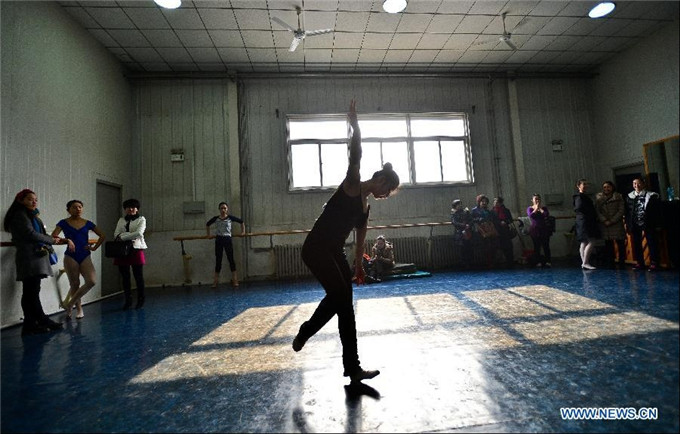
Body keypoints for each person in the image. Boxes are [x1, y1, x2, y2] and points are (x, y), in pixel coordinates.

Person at [292, 99, 400, 384]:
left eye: (388, 193)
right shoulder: (353, 184)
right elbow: (357, 153)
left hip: (334, 251)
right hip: (316, 248)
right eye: (386, 188)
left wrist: (359, 267)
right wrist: (355, 124)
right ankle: (306, 332)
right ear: (378, 179)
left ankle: (352, 368)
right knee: (340, 299)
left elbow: (360, 239)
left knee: (345, 303)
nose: (385, 194)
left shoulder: (366, 207)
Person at [3, 189, 65, 335]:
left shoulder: (30, 215)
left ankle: (31, 323)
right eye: (30, 199)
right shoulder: (20, 215)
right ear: (21, 200)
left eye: (35, 199)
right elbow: (30, 233)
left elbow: (36, 233)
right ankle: (39, 321)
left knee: (32, 291)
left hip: (34, 256)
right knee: (31, 291)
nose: (34, 201)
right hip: (29, 257)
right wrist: (50, 240)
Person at [51, 200, 105, 319]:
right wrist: (67, 240)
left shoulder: (87, 223)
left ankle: (70, 304)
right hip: (71, 256)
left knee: (91, 281)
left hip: (85, 254)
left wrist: (94, 247)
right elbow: (53, 236)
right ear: (68, 210)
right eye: (75, 207)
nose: (78, 209)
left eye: (80, 207)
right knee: (75, 283)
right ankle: (79, 309)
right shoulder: (63, 223)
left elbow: (102, 235)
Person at [113, 198, 147, 310]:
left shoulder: (141, 219)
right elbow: (116, 235)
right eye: (128, 207)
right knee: (125, 277)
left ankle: (141, 299)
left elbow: (139, 233)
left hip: (136, 249)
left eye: (133, 207)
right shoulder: (121, 220)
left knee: (138, 276)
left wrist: (123, 237)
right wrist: (127, 236)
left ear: (137, 209)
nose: (130, 209)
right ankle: (128, 300)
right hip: (122, 250)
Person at [206, 202, 246, 288]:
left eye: (225, 208)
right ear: (219, 209)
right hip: (219, 239)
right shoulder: (216, 218)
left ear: (227, 209)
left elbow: (241, 222)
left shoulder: (230, 218)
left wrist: (243, 232)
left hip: (227, 239)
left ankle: (235, 280)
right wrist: (208, 235)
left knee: (231, 259)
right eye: (221, 208)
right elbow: (207, 224)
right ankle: (215, 282)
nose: (223, 210)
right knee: (218, 260)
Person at [625, 177, 661, 271]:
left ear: (643, 184)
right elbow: (628, 212)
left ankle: (654, 262)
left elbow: (656, 212)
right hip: (635, 222)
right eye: (634, 183)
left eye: (638, 183)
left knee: (652, 242)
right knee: (636, 243)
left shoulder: (651, 195)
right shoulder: (629, 197)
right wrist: (628, 225)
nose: (636, 185)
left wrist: (657, 224)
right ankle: (639, 262)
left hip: (648, 222)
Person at [595, 181, 626, 269]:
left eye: (608, 187)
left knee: (620, 244)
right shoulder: (599, 198)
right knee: (608, 245)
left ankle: (622, 262)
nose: (606, 189)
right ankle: (610, 262)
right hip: (605, 225)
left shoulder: (618, 197)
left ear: (612, 187)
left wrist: (612, 220)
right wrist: (604, 220)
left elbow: (621, 210)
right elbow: (597, 211)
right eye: (604, 187)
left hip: (616, 224)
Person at [573, 178, 600, 270]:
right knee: (591, 241)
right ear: (578, 186)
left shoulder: (583, 196)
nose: (586, 186)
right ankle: (585, 262)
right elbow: (579, 208)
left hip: (584, 221)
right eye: (584, 184)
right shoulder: (579, 197)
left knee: (584, 242)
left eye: (586, 184)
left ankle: (584, 262)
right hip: (585, 221)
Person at [470, 194, 499, 268]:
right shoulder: (474, 210)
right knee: (482, 247)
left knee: (491, 246)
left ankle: (491, 262)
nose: (484, 203)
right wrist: (479, 220)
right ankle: (483, 263)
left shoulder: (488, 211)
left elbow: (492, 219)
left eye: (485, 201)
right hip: (479, 231)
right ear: (479, 202)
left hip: (489, 230)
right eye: (482, 201)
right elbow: (471, 220)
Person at [526, 194, 552, 267]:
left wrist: (540, 209)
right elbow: (531, 216)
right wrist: (535, 209)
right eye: (536, 199)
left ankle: (548, 261)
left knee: (546, 246)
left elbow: (546, 214)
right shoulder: (530, 208)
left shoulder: (544, 208)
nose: (537, 200)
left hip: (544, 229)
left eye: (539, 199)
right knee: (537, 246)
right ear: (532, 200)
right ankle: (537, 261)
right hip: (535, 230)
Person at [492, 196, 515, 267]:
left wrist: (505, 222)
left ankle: (510, 262)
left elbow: (510, 220)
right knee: (497, 247)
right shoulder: (492, 211)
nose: (495, 203)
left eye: (497, 202)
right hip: (496, 231)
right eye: (494, 202)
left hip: (505, 231)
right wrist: (499, 223)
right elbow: (492, 221)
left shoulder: (506, 210)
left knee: (508, 247)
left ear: (500, 203)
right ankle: (498, 263)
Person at [450, 199, 472, 268]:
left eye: (460, 204)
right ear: (455, 206)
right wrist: (464, 225)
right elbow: (454, 222)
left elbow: (471, 220)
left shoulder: (466, 212)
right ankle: (463, 263)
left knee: (468, 247)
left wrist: (469, 224)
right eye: (458, 204)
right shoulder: (454, 214)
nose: (460, 206)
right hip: (459, 233)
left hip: (467, 232)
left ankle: (469, 262)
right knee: (461, 249)